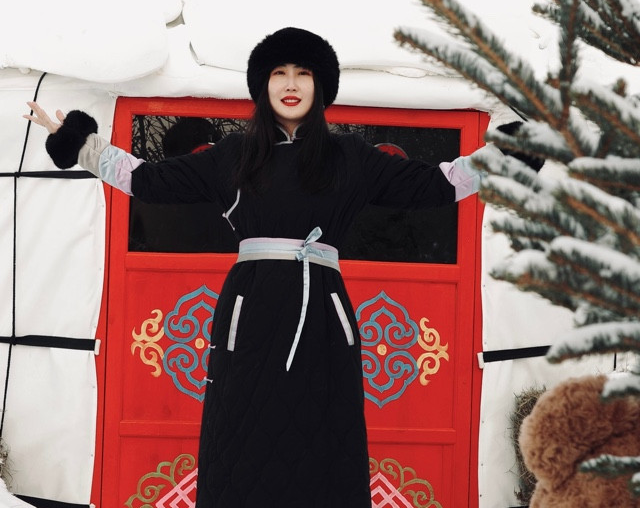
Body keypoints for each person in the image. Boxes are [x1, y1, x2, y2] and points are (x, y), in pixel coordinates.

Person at [24, 27, 531, 508]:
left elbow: (437, 184)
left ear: (320, 85)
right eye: (279, 73)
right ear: (262, 85)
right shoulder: (233, 155)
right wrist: (79, 143)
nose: (291, 84)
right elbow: (148, 180)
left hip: (325, 317)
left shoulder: (350, 157)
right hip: (251, 313)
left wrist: (516, 151)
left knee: (327, 439)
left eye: (303, 73)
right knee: (241, 439)